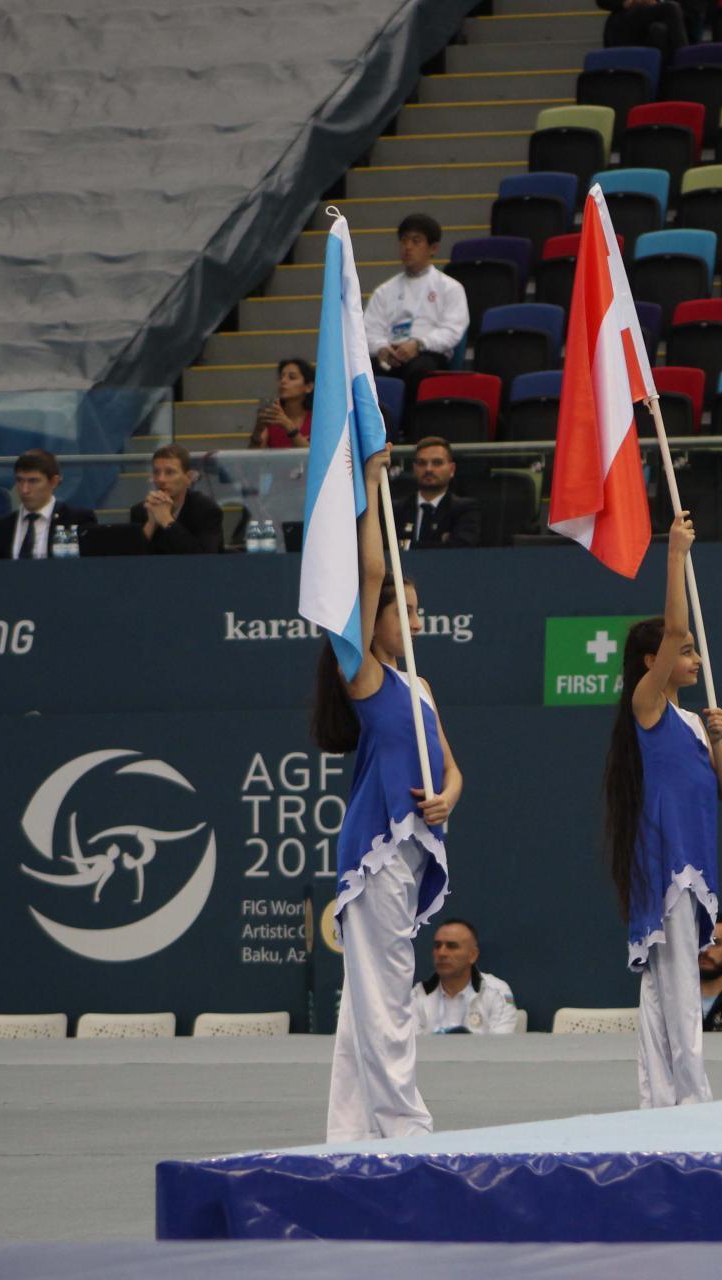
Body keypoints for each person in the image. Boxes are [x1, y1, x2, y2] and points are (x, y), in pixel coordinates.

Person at [314, 450, 463, 1141]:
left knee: (366, 995)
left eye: (413, 609)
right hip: (377, 850)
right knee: (388, 989)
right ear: (370, 624)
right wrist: (374, 486)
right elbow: (371, 571)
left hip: (412, 844)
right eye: (396, 609)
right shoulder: (366, 678)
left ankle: (350, 1130)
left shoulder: (421, 688)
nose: (408, 617)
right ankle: (404, 1125)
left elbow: (453, 769)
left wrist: (446, 802)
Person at [604, 512, 722, 1106]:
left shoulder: (688, 721)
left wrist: (718, 739)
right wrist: (675, 556)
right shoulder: (646, 706)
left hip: (695, 862)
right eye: (684, 652)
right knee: (680, 983)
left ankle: (661, 1098)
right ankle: (694, 1096)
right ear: (651, 663)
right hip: (666, 860)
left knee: (664, 988)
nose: (695, 659)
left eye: (691, 653)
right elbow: (677, 623)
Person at [363, 214, 468, 408]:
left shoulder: (450, 287)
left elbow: (452, 331)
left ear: (433, 248)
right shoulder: (384, 291)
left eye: (416, 241)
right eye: (404, 241)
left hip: (427, 353)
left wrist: (419, 344)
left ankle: (411, 429)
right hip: (390, 354)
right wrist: (382, 347)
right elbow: (369, 330)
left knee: (419, 370)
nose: (408, 247)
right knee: (362, 372)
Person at [411, 918, 518, 1034]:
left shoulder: (498, 992)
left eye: (452, 946)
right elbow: (412, 1046)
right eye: (437, 946)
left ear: (473, 955)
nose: (441, 953)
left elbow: (502, 1046)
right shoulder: (417, 995)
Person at [0, 449, 98, 560]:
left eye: (33, 481)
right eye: (20, 480)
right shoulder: (1, 528)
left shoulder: (77, 521)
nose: (24, 490)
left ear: (54, 482)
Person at [128, 445, 223, 555]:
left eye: (169, 472)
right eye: (156, 472)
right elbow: (130, 562)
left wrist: (167, 520)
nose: (160, 479)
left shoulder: (206, 510)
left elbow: (205, 559)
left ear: (188, 478)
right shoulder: (141, 511)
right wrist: (151, 524)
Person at [394, 437, 481, 550]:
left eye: (437, 463)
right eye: (422, 463)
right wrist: (442, 543)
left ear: (452, 469)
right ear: (414, 468)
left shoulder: (465, 509)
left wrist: (406, 545)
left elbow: (461, 547)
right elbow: (384, 547)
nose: (428, 469)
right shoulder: (396, 509)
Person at [600, 0, 694, 62]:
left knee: (659, 30)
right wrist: (627, 2)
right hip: (624, 17)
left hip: (651, 14)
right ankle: (685, 61)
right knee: (671, 7)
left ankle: (669, 81)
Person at [250, 358, 314, 449]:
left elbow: (316, 458)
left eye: (292, 377)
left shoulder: (317, 419)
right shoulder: (272, 417)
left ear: (308, 387)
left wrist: (288, 426)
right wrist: (258, 430)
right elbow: (252, 459)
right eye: (281, 377)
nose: (283, 381)